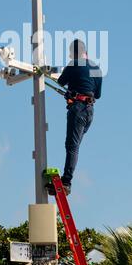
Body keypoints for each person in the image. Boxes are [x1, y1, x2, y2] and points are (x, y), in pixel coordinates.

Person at [47, 39, 102, 196]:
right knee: (75, 145)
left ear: (73, 53)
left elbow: (61, 81)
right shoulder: (96, 68)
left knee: (72, 146)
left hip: (78, 108)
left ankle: (66, 182)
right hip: (90, 111)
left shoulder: (73, 64)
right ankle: (66, 179)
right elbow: (98, 94)